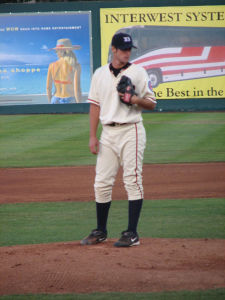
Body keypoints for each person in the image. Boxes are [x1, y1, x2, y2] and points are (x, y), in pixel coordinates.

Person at [81, 32, 157, 247]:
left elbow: (152, 103)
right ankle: (101, 231)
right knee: (101, 183)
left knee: (132, 180)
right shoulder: (99, 74)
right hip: (108, 133)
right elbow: (95, 105)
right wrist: (92, 136)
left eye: (129, 49)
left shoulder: (138, 72)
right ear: (113, 50)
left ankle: (132, 233)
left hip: (130, 130)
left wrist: (133, 98)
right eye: (123, 49)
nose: (127, 52)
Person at [46, 38, 82, 104]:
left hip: (55, 99)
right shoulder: (76, 66)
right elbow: (77, 89)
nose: (56, 53)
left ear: (61, 51)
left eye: (56, 51)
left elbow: (48, 88)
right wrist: (79, 105)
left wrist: (50, 102)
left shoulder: (51, 66)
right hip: (69, 100)